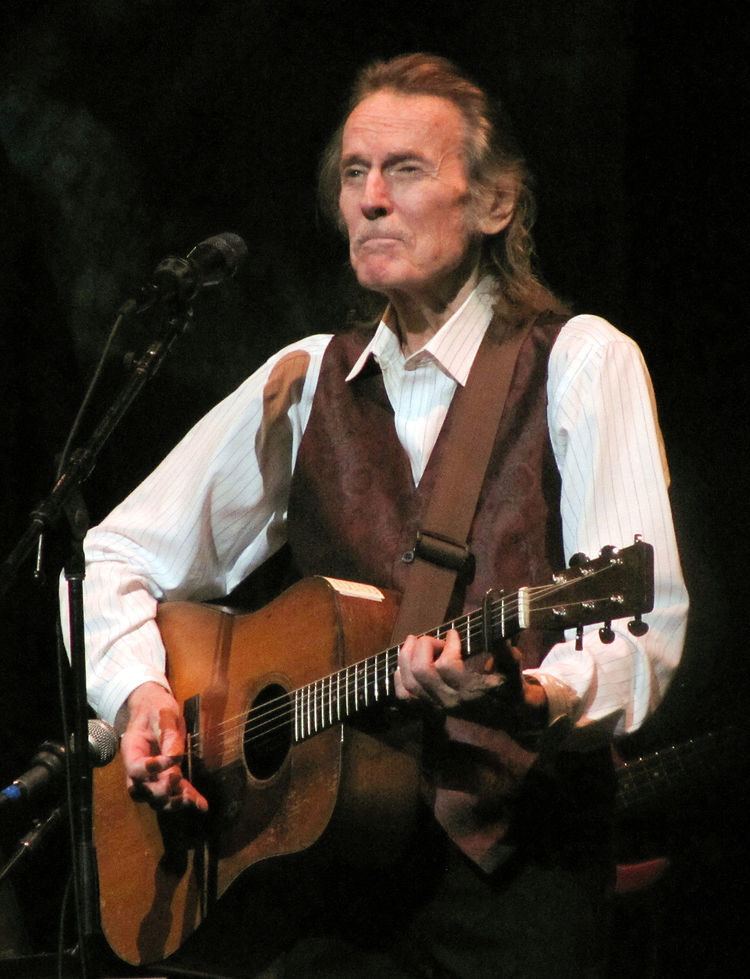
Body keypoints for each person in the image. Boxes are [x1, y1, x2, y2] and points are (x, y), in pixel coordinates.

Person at [63, 54, 688, 977]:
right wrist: (142, 693)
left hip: (512, 878)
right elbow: (110, 556)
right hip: (329, 881)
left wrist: (534, 693)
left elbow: (640, 626)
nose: (370, 200)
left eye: (405, 170)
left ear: (495, 205)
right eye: (354, 174)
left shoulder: (582, 362)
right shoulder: (307, 378)